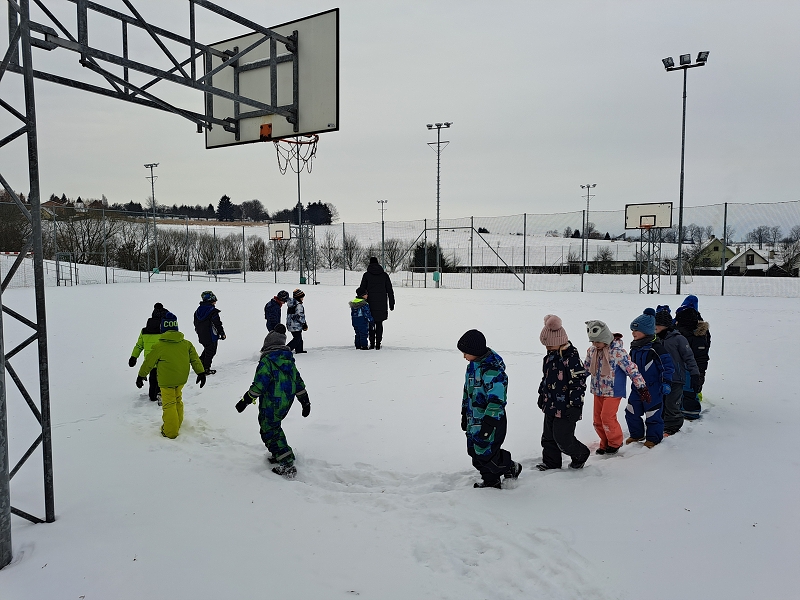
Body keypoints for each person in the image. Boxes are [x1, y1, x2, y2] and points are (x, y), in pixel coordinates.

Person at [235, 324, 311, 479]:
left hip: (271, 401)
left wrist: (245, 400)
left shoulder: (267, 361)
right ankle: (280, 454)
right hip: (286, 401)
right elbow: (298, 381)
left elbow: (259, 385)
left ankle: (287, 463)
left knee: (268, 429)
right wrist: (305, 401)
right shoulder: (288, 360)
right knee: (274, 426)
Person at [457, 329, 521, 489]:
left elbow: (497, 399)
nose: (464, 356)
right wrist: (465, 413)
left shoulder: (492, 370)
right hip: (474, 418)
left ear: (475, 351)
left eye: (465, 352)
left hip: (491, 420)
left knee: (486, 453)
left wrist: (489, 422)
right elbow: (467, 392)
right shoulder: (473, 365)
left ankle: (510, 466)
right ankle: (491, 481)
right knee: (474, 452)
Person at [583, 320, 649, 455]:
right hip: (597, 390)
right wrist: (576, 380)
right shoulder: (592, 351)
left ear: (605, 339)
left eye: (597, 342)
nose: (595, 345)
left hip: (613, 391)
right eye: (592, 342)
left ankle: (615, 442)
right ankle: (604, 442)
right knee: (597, 420)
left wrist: (641, 386)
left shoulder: (618, 352)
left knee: (607, 417)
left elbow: (631, 369)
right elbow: (586, 368)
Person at [136, 312, 206, 439]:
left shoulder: (159, 346)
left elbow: (148, 363)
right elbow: (195, 360)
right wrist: (200, 373)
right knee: (178, 400)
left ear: (163, 328)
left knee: (169, 404)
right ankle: (177, 424)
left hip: (166, 381)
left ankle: (170, 431)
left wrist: (141, 376)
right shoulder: (186, 344)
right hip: (181, 379)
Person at [537, 315, 591, 470]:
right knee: (548, 438)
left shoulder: (571, 358)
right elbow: (546, 378)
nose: (547, 349)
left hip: (567, 407)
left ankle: (581, 454)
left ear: (558, 342)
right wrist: (542, 394)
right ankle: (551, 463)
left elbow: (579, 384)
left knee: (563, 439)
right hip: (550, 404)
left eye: (549, 346)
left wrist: (576, 406)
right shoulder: (549, 357)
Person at [625, 308, 674, 448]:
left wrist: (666, 383)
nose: (633, 333)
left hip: (653, 388)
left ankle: (654, 438)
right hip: (637, 387)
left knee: (653, 414)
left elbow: (667, 367)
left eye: (636, 331)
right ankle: (636, 434)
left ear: (646, 331)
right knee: (631, 411)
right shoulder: (634, 348)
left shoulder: (656, 349)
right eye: (632, 331)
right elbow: (628, 365)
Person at [655, 306, 700, 435]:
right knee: (661, 402)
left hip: (676, 378)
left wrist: (695, 374)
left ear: (665, 325)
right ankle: (661, 423)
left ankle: (673, 426)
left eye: (657, 324)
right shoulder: (655, 338)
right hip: (660, 377)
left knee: (672, 403)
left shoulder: (678, 339)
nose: (655, 327)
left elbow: (689, 357)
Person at [674, 295, 711, 420]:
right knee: (691, 384)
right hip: (695, 365)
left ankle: (690, 408)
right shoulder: (699, 328)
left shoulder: (686, 328)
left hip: (691, 364)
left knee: (689, 386)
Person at [129, 302, 169, 404]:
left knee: (153, 379)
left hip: (150, 362)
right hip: (163, 361)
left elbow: (139, 345)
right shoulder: (166, 331)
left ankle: (152, 396)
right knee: (162, 380)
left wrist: (134, 357)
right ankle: (161, 394)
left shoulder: (144, 331)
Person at [359, 257, 395, 349]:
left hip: (369, 303)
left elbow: (361, 290)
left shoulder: (366, 275)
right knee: (379, 323)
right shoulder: (384, 275)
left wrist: (360, 303)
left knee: (371, 323)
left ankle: (372, 343)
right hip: (381, 303)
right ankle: (378, 343)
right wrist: (392, 302)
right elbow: (390, 290)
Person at [193, 290, 226, 374]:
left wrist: (198, 331)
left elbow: (195, 323)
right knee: (211, 351)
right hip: (211, 335)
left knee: (207, 349)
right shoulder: (212, 311)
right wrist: (222, 333)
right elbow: (217, 324)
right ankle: (206, 368)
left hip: (201, 334)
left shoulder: (198, 311)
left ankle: (200, 363)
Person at [286, 288, 308, 354]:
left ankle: (299, 350)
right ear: (298, 297)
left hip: (290, 324)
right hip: (296, 325)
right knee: (297, 339)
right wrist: (304, 323)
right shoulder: (298, 305)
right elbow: (300, 315)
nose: (303, 298)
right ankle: (286, 349)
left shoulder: (291, 304)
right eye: (302, 297)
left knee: (299, 338)